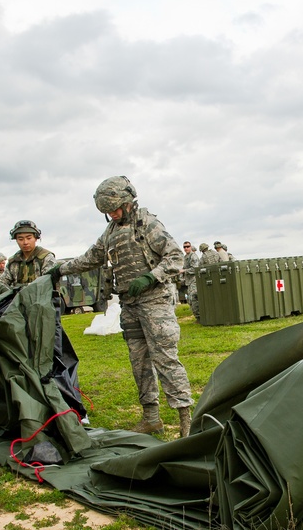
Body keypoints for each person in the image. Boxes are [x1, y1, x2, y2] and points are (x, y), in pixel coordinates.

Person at [49, 176, 194, 438]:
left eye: (115, 209)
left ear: (128, 202)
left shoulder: (147, 223)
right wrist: (61, 269)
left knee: (165, 360)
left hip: (155, 303)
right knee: (139, 363)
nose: (113, 215)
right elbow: (92, 257)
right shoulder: (112, 231)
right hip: (130, 305)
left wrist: (151, 276)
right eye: (107, 212)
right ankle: (151, 417)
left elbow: (174, 256)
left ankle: (186, 420)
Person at [0, 220, 56, 294]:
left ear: (36, 238)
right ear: (16, 240)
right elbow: (0, 283)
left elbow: (47, 282)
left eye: (29, 238)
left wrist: (19, 289)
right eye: (20, 239)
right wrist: (8, 291)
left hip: (42, 300)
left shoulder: (46, 257)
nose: (25, 242)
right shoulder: (13, 262)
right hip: (18, 302)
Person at [180, 241, 201, 318]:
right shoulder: (185, 257)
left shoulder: (193, 256)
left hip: (194, 280)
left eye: (187, 246)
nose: (186, 248)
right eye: (184, 247)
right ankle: (197, 316)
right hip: (189, 281)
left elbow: (195, 269)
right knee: (190, 300)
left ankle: (199, 317)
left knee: (193, 299)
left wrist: (184, 271)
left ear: (190, 247)